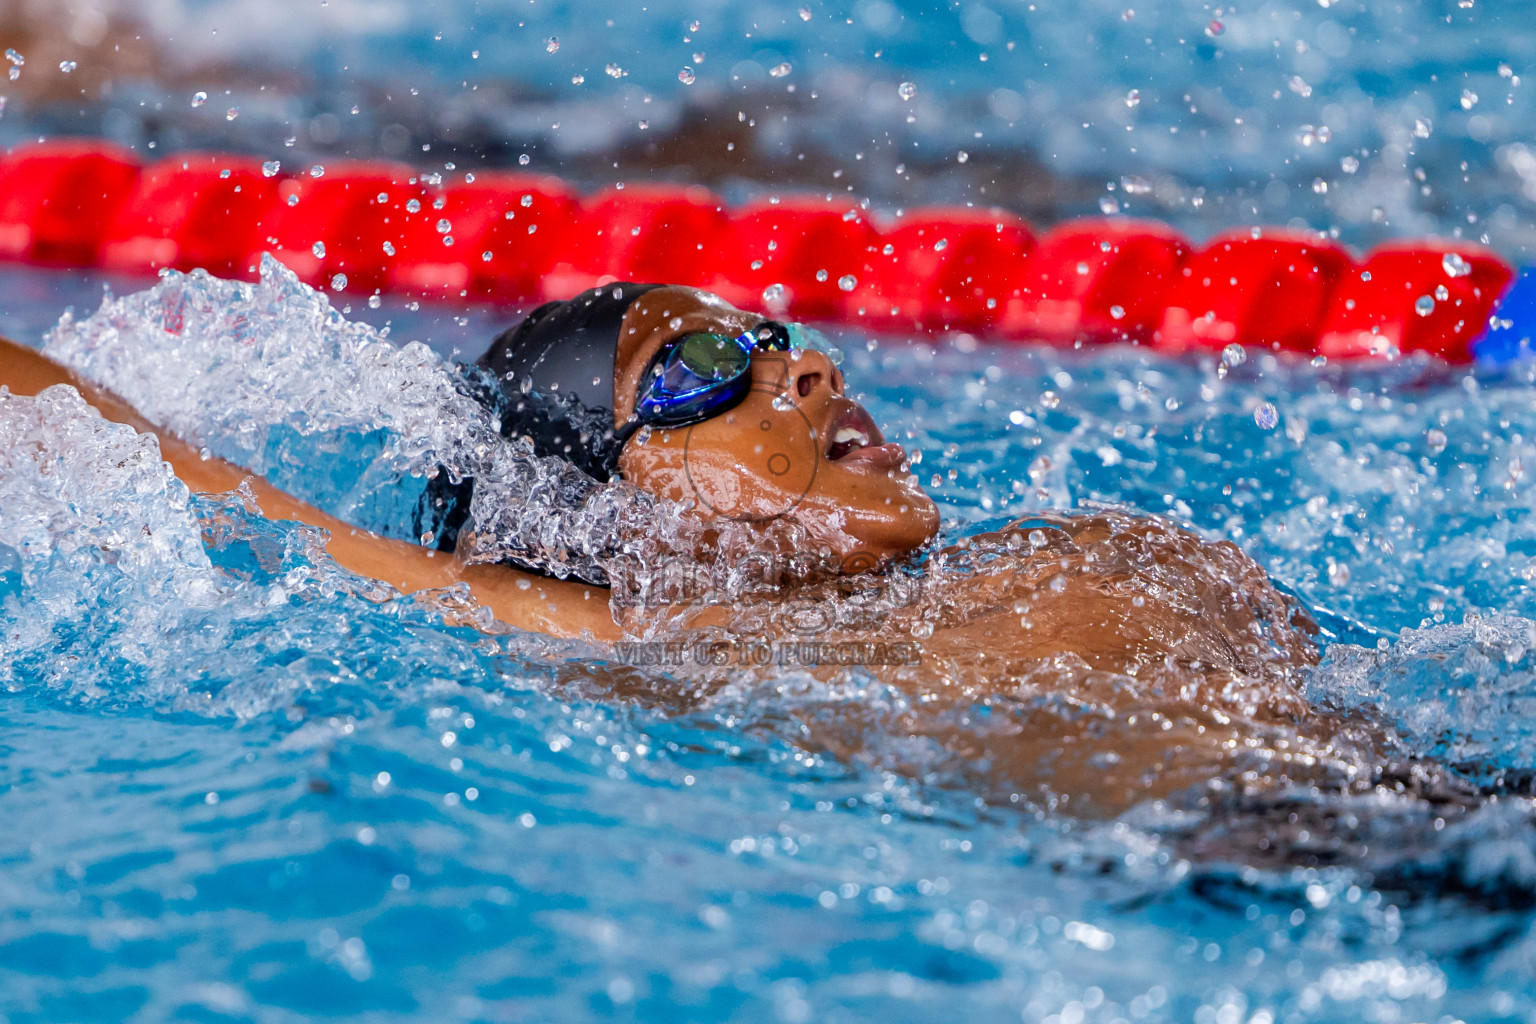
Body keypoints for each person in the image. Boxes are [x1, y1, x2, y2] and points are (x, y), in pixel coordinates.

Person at [2, 282, 1372, 816]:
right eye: (702, 367)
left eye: (771, 336)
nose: (812, 367)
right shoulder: (641, 635)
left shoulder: (972, 577)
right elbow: (159, 469)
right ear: (613, 509)